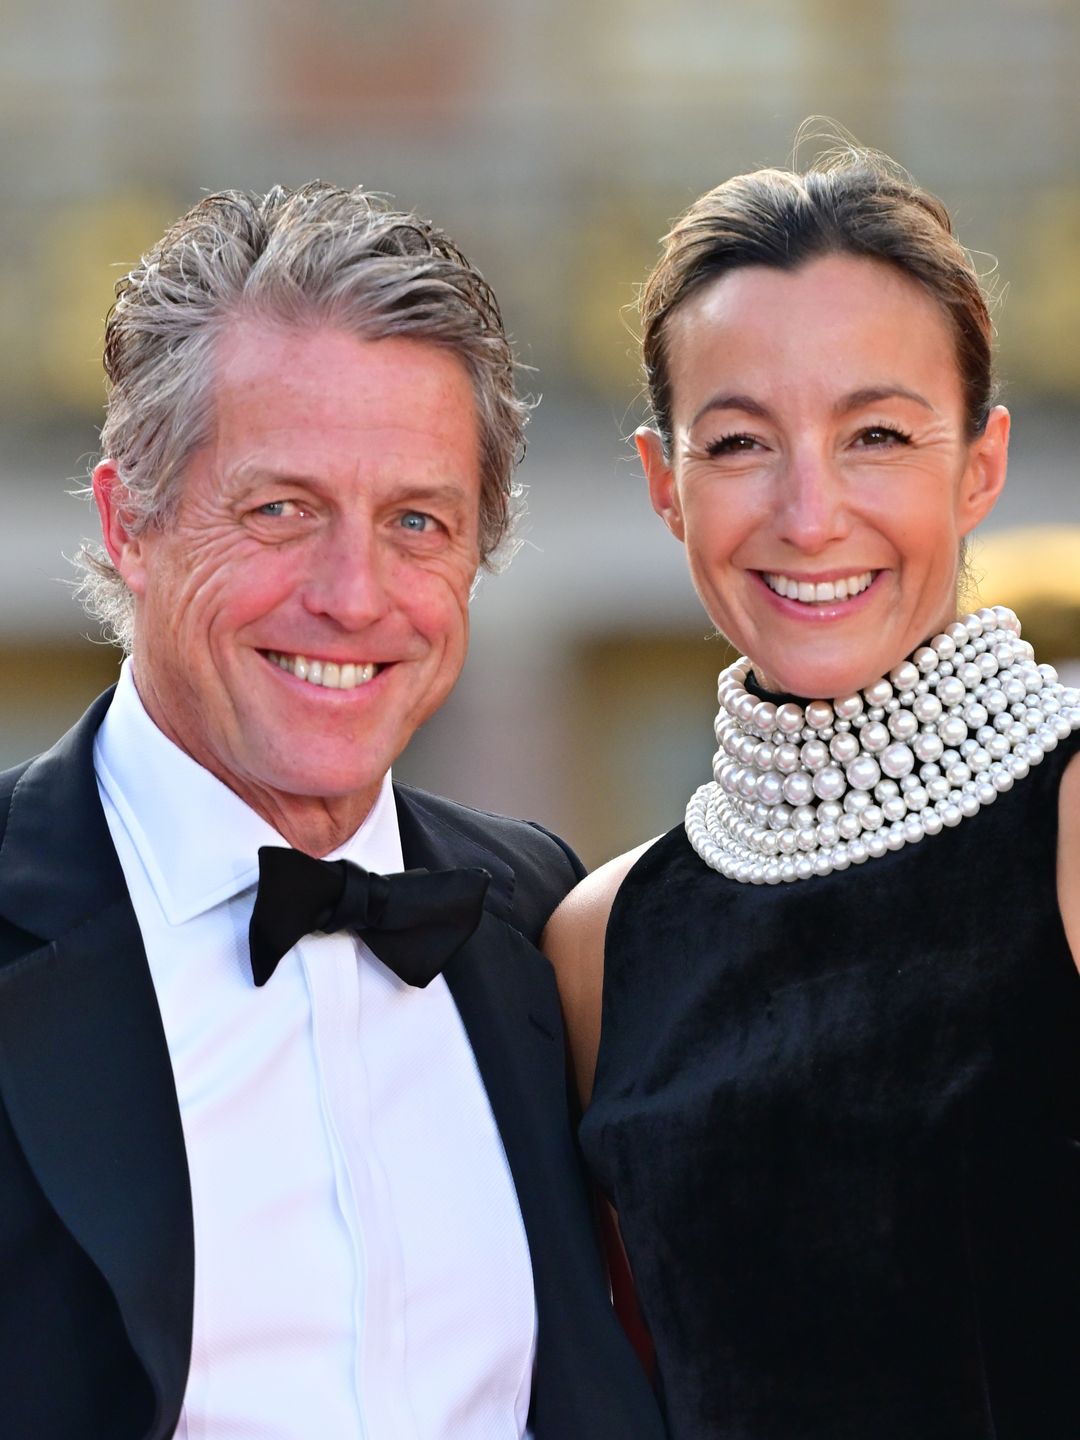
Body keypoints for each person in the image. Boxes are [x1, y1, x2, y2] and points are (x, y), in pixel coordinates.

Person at [0, 183, 663, 1440]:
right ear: (126, 522)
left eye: (418, 522)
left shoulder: (544, 923)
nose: (356, 597)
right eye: (281, 510)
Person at [545, 145, 1080, 1439]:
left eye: (878, 434)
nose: (809, 511)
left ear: (981, 466)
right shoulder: (600, 942)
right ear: (665, 485)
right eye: (739, 443)